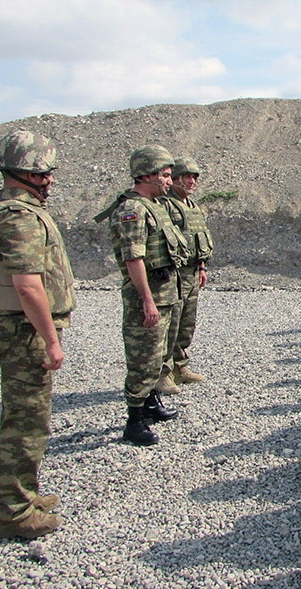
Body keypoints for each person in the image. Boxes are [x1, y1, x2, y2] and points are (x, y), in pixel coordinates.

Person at [0, 130, 75, 539]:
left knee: (31, 420)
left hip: (22, 329)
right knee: (25, 425)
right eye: (45, 172)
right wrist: (50, 339)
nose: (50, 179)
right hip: (24, 332)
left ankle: (25, 495)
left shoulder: (15, 210)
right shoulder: (16, 216)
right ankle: (14, 512)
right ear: (28, 172)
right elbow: (28, 284)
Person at [97, 145, 190, 446]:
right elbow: (133, 258)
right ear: (147, 175)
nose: (168, 180)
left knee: (159, 354)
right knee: (143, 359)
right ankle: (134, 421)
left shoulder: (155, 205)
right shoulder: (133, 210)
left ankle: (151, 403)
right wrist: (147, 300)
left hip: (167, 294)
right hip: (149, 298)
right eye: (164, 175)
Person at [157, 157, 214, 393]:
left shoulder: (192, 206)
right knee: (169, 325)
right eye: (187, 177)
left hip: (191, 272)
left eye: (194, 177)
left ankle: (180, 366)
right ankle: (163, 373)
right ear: (176, 179)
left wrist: (201, 266)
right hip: (175, 274)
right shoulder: (165, 205)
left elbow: (198, 237)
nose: (192, 181)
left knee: (186, 324)